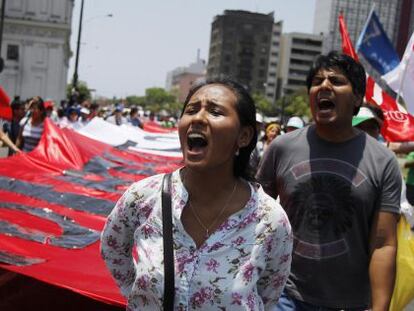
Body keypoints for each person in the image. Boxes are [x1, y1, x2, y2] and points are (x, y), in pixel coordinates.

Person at [101, 78, 293, 310]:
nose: (198, 118)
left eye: (215, 111)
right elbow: (113, 249)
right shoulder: (143, 197)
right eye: (191, 110)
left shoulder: (271, 220)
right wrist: (142, 296)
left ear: (243, 136)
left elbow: (269, 293)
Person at [257, 52, 401, 311]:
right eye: (317, 81)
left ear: (357, 97)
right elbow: (254, 219)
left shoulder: (383, 161)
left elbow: (383, 244)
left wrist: (379, 308)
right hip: (284, 296)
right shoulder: (281, 148)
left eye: (336, 81)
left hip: (350, 303)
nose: (324, 86)